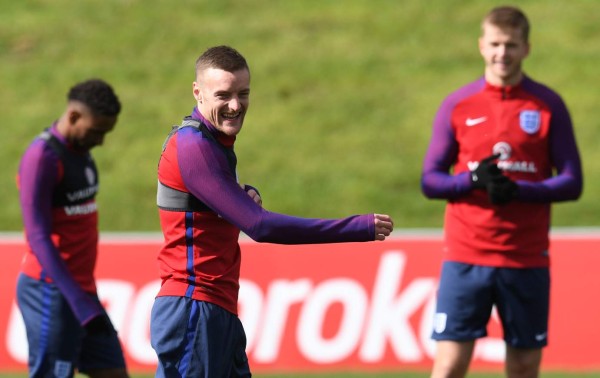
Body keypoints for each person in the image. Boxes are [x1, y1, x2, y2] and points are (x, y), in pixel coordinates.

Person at [152, 45, 394, 377]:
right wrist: (356, 228)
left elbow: (212, 204)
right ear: (198, 92)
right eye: (223, 95)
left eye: (243, 93)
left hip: (215, 308)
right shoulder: (194, 147)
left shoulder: (210, 143)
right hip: (194, 308)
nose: (236, 105)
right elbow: (261, 227)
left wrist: (243, 193)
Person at [421, 5, 583, 378]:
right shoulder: (458, 104)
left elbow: (573, 182)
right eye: (495, 43)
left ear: (526, 48)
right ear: (481, 45)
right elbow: (430, 180)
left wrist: (519, 191)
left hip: (525, 258)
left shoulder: (547, 105)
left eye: (511, 44)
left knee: (524, 367)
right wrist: (471, 181)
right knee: (448, 366)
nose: (502, 53)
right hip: (466, 255)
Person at [16, 79, 129, 378]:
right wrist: (79, 303)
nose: (101, 141)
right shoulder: (42, 158)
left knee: (114, 372)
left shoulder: (81, 152)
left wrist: (84, 299)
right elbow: (38, 237)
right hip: (50, 291)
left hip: (82, 292)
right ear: (74, 116)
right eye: (96, 132)